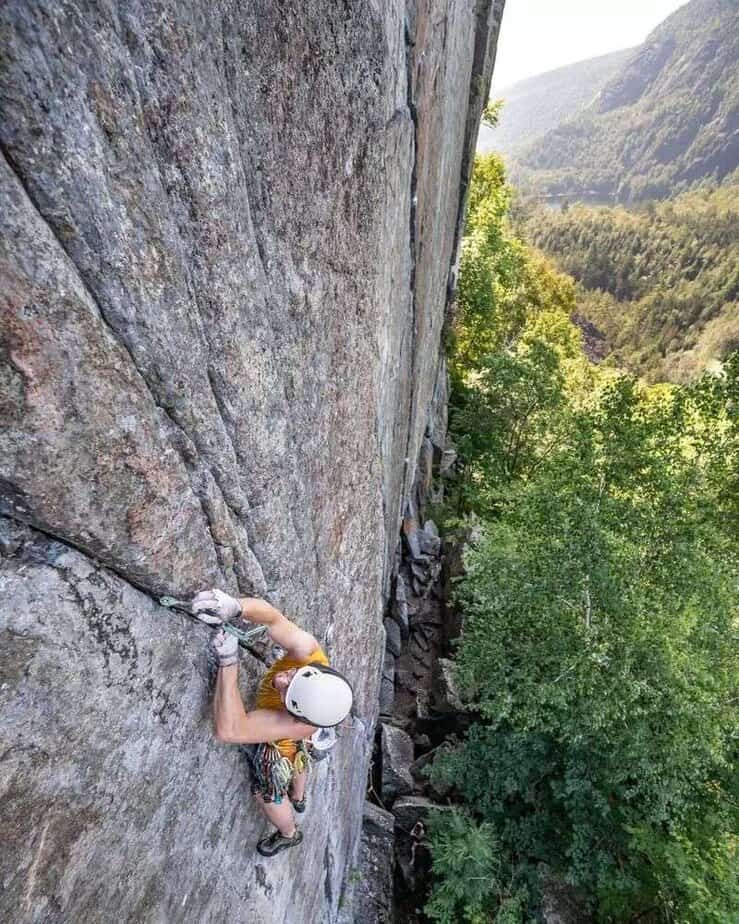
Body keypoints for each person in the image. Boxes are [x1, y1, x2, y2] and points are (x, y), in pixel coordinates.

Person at [191, 588, 353, 858]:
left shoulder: (297, 725)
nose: (281, 680)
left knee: (268, 788)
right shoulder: (309, 653)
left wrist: (228, 661)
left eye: (287, 693)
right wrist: (236, 606)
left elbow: (230, 730)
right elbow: (274, 620)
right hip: (311, 723)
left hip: (286, 741)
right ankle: (299, 798)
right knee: (300, 755)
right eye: (293, 674)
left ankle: (289, 833)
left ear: (296, 713)